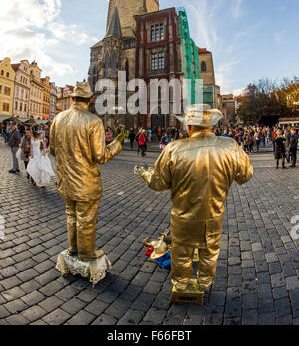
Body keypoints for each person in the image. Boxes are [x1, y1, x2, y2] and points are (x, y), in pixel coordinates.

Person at [135, 104, 253, 292]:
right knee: (210, 251)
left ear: (189, 126)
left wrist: (145, 173)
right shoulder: (230, 146)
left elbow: (158, 183)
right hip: (214, 214)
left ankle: (181, 284)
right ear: (211, 125)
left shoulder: (174, 148)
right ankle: (205, 282)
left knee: (181, 253)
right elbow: (245, 175)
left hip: (183, 217)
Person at [50, 81, 126, 262]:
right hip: (85, 183)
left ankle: (73, 248)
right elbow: (101, 156)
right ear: (91, 99)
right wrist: (117, 142)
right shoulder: (93, 121)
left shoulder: (58, 119)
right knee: (86, 218)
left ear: (72, 98)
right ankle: (86, 254)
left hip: (65, 182)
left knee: (71, 214)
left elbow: (53, 149)